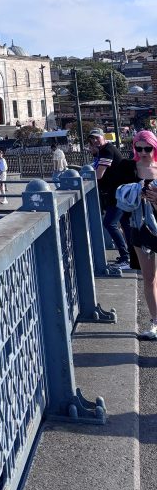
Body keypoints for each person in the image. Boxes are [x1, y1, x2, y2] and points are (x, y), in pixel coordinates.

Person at [114, 130, 157, 337]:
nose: (142, 152)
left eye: (147, 148)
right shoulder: (128, 167)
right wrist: (136, 193)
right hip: (139, 228)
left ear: (154, 147)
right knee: (149, 278)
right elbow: (119, 197)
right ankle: (155, 322)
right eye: (138, 148)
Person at [89, 127, 128, 269]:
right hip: (120, 193)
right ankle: (129, 256)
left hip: (118, 193)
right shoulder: (105, 150)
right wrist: (95, 154)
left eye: (96, 138)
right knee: (124, 224)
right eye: (91, 139)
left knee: (110, 223)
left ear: (103, 138)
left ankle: (126, 257)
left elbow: (98, 175)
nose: (94, 141)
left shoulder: (107, 150)